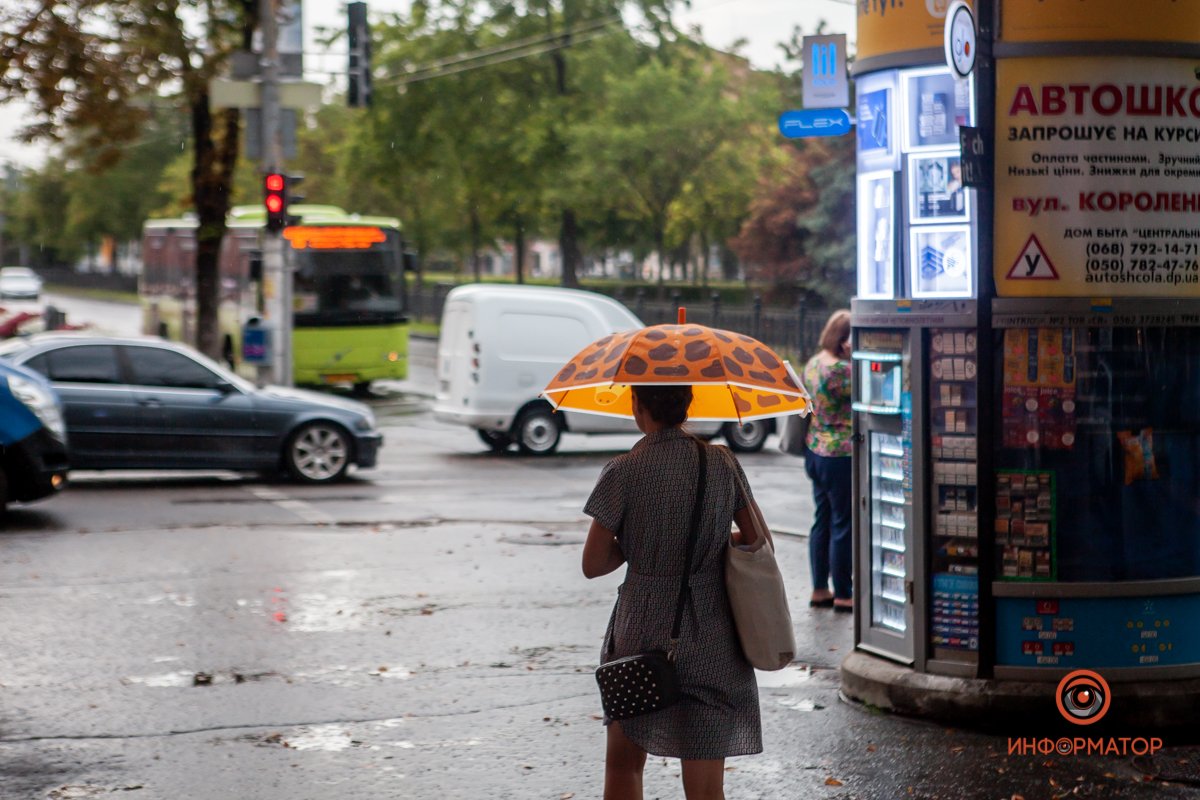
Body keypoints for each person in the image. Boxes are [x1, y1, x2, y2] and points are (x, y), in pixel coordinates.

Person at [582, 383, 765, 800]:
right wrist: (709, 540)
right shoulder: (721, 461)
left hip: (640, 628)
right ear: (687, 405)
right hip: (713, 631)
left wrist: (637, 546)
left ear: (638, 406)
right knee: (705, 787)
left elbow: (593, 564)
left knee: (624, 766)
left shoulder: (623, 470)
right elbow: (757, 541)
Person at [802, 310, 854, 612]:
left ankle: (820, 588)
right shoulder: (841, 371)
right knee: (842, 524)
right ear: (846, 338)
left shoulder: (813, 363)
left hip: (815, 450)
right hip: (840, 455)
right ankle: (844, 593)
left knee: (822, 520)